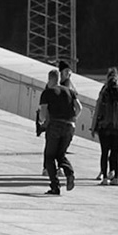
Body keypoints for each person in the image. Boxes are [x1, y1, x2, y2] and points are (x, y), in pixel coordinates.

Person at [37, 67, 78, 195]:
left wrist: (41, 122)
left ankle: (55, 186)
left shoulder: (47, 93)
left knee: (49, 156)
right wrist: (73, 118)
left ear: (50, 79)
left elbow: (43, 114)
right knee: (60, 154)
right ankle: (69, 173)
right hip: (69, 126)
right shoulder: (69, 91)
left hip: (55, 126)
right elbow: (79, 107)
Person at [93, 69, 118, 183]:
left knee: (104, 153)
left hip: (104, 127)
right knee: (114, 152)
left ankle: (104, 177)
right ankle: (116, 178)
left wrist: (93, 127)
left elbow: (98, 110)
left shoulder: (104, 93)